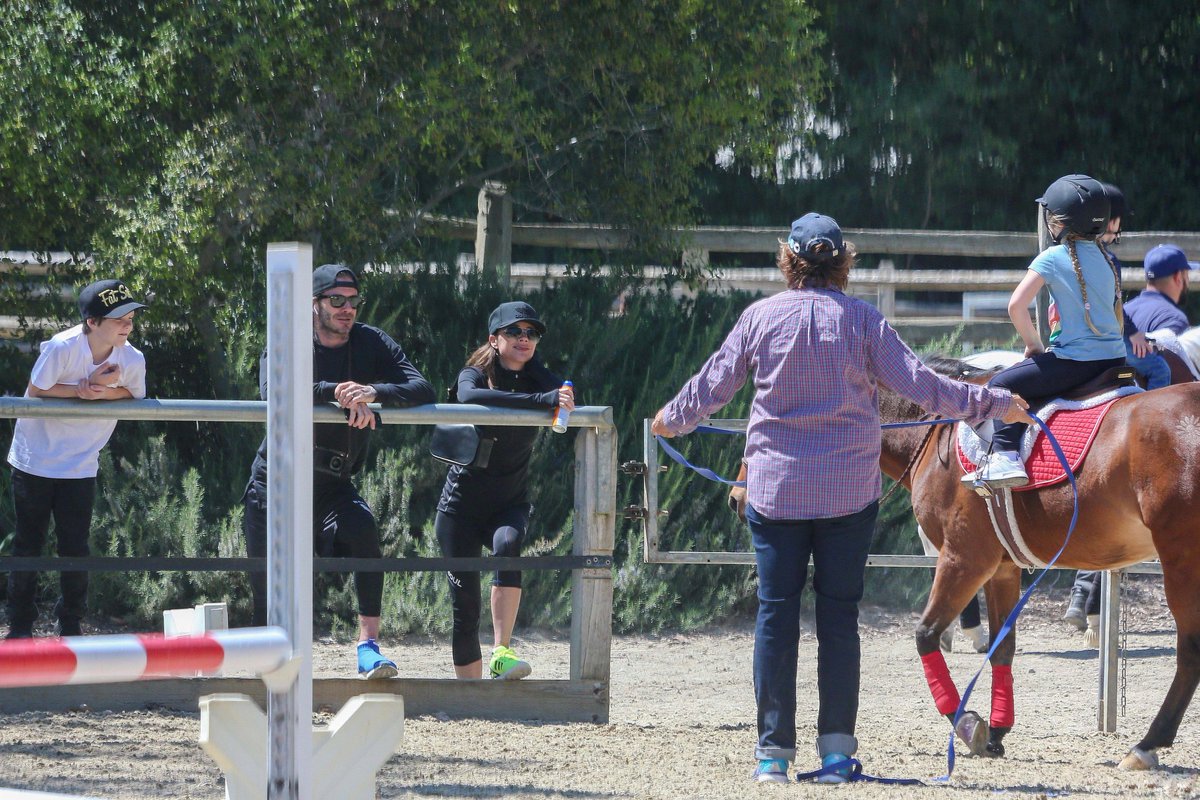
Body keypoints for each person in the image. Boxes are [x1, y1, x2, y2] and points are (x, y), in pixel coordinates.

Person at [650, 213, 1029, 784]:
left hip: (775, 494)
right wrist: (994, 404)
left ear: (790, 260)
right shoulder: (863, 321)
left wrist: (668, 422)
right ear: (842, 263)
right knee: (839, 621)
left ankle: (772, 756)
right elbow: (925, 387)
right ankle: (836, 754)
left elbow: (712, 384)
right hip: (849, 497)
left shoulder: (759, 318)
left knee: (775, 618)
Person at [240, 264, 434, 678]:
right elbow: (274, 392)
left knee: (363, 530)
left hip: (332, 482)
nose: (347, 309)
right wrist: (337, 394)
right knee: (270, 594)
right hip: (276, 484)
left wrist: (373, 392)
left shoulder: (370, 341)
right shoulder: (287, 339)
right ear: (313, 305)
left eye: (353, 301)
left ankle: (368, 648)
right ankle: (271, 677)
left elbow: (422, 387)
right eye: (336, 301)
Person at [434, 301, 574, 680]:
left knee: (508, 546)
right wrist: (538, 403)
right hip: (460, 507)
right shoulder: (474, 373)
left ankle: (501, 652)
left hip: (509, 502)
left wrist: (559, 397)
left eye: (531, 333)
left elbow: (562, 394)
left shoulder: (537, 376)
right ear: (494, 340)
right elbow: (468, 398)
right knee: (465, 607)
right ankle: (471, 695)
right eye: (514, 332)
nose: (524, 339)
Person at [5, 279, 148, 639]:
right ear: (92, 322)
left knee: (75, 546)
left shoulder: (132, 358)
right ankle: (20, 626)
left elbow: (134, 394)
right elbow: (37, 390)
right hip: (34, 458)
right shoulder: (62, 346)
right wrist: (83, 390)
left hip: (82, 462)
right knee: (28, 544)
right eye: (119, 318)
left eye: (130, 316)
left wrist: (99, 393)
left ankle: (69, 624)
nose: (127, 324)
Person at [964, 174, 1126, 489]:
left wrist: (1034, 345)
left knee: (1000, 384)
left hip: (1076, 362)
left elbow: (1016, 306)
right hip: (1115, 361)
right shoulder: (1107, 259)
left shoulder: (1053, 257)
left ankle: (1006, 457)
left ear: (1060, 221)